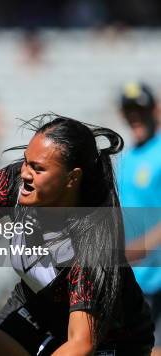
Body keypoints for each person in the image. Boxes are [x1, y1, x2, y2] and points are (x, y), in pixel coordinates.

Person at [0, 115, 153, 355]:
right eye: (27, 162)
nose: (26, 174)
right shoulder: (13, 182)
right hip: (37, 309)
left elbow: (80, 343)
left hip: (111, 340)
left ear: (72, 178)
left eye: (38, 169)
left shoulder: (91, 245)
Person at [117, 82, 161, 356]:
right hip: (136, 276)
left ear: (155, 110)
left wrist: (142, 247)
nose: (135, 117)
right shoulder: (128, 157)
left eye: (140, 110)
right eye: (129, 111)